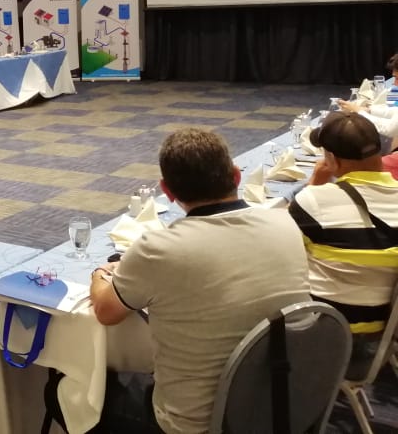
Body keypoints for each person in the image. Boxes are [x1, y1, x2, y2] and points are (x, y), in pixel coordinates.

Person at [73, 128, 309, 434]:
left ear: (167, 191)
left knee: (76, 391)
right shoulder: (286, 223)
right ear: (236, 176)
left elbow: (106, 312)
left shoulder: (157, 249)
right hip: (285, 407)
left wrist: (99, 275)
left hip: (195, 424)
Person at [289, 112, 398, 362]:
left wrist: (315, 183)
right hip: (385, 333)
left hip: (326, 333)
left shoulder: (314, 200)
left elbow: (282, 247)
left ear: (332, 159)